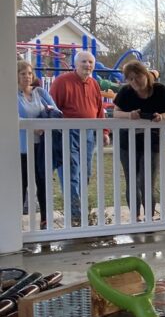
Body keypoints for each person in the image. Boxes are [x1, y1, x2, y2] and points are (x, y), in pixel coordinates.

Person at [112, 62, 165, 220]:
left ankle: (149, 217)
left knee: (147, 182)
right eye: (130, 79)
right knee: (131, 180)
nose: (135, 82)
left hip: (152, 142)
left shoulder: (160, 90)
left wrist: (162, 116)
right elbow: (115, 112)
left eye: (138, 77)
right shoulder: (126, 92)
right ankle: (135, 217)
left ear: (145, 74)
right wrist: (129, 115)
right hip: (127, 143)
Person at [50, 50, 107, 226]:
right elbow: (52, 109)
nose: (87, 65)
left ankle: (80, 209)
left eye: (90, 62)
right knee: (71, 173)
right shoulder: (62, 82)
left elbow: (99, 109)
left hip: (89, 133)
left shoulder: (94, 84)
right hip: (67, 133)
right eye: (84, 62)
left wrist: (104, 131)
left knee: (85, 173)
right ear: (76, 64)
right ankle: (76, 214)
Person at [18, 59, 60, 226]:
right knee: (21, 185)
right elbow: (12, 117)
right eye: (22, 74)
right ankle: (17, 221)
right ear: (16, 76)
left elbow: (56, 111)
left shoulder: (40, 92)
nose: (27, 77)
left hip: (41, 146)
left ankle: (45, 219)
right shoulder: (10, 94)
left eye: (29, 73)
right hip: (21, 147)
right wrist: (32, 126)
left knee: (42, 182)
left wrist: (45, 121)